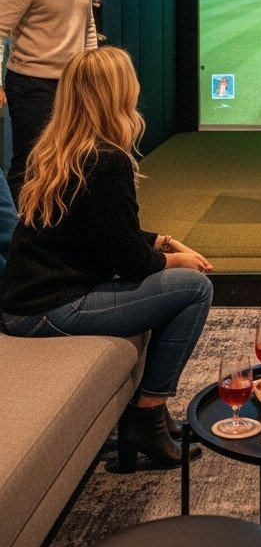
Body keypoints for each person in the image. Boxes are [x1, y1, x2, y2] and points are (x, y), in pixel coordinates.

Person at [0, 46, 214, 469]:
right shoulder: (105, 160)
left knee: (176, 282)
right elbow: (128, 261)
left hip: (27, 302)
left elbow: (100, 232)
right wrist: (177, 261)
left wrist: (165, 242)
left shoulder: (57, 149)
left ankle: (152, 416)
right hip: (48, 308)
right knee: (194, 288)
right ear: (116, 94)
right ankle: (147, 416)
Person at [0, 0, 97, 201]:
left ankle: (61, 225)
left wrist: (91, 73)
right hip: (31, 85)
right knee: (31, 162)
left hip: (73, 84)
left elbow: (87, 25)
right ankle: (20, 228)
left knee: (73, 159)